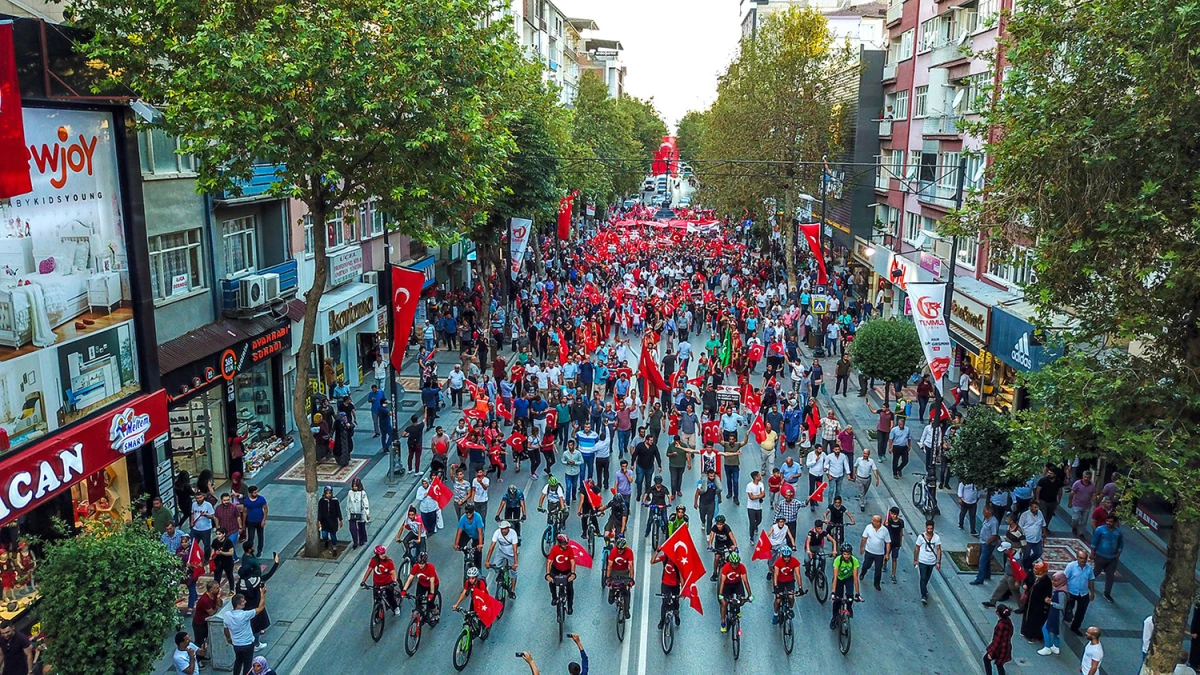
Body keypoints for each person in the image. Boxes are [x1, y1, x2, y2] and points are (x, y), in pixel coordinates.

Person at [223, 591, 266, 675]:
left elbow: (226, 628)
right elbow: (260, 608)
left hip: (236, 644)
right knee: (247, 665)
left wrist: (228, 638)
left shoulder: (227, 615)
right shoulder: (245, 615)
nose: (245, 602)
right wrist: (262, 594)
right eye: (243, 601)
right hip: (247, 644)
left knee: (238, 661)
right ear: (238, 605)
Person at [1090, 514, 1124, 602]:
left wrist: (1118, 555)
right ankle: (1088, 584)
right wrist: (1092, 553)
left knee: (1110, 576)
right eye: (1107, 521)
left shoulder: (1118, 532)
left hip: (1112, 558)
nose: (1108, 523)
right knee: (1096, 572)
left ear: (1115, 522)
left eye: (1111, 521)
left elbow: (1120, 544)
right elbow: (1094, 542)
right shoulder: (1099, 530)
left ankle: (1107, 593)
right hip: (1100, 556)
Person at [400, 551, 441, 622]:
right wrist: (404, 590)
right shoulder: (416, 567)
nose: (420, 565)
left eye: (422, 564)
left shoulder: (430, 567)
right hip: (422, 584)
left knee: (430, 602)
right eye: (419, 563)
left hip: (433, 584)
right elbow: (410, 578)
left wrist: (431, 593)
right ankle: (421, 614)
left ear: (425, 563)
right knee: (418, 601)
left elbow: (432, 581)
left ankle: (436, 612)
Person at [716, 551, 751, 634]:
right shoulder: (725, 568)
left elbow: (745, 581)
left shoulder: (742, 567)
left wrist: (750, 594)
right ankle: (723, 622)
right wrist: (720, 594)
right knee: (724, 603)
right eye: (733, 564)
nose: (735, 565)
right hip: (727, 586)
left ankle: (737, 609)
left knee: (741, 600)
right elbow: (722, 582)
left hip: (737, 584)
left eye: (737, 563)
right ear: (730, 562)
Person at [1063, 548, 1096, 635]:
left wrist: (1092, 592)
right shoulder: (1071, 566)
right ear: (1077, 558)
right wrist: (1065, 591)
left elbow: (1091, 580)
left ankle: (1075, 627)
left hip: (1083, 593)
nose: (1083, 560)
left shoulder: (1089, 568)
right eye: (1081, 558)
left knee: (1081, 612)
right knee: (1068, 608)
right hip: (1072, 592)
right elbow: (1065, 578)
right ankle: (1064, 619)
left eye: (1085, 558)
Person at [770, 546, 806, 624]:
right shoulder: (778, 562)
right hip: (780, 581)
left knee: (791, 596)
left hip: (790, 581)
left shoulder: (795, 561)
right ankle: (775, 614)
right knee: (778, 599)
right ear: (782, 556)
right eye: (785, 557)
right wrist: (775, 586)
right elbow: (776, 574)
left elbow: (798, 574)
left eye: (788, 557)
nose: (786, 559)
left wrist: (800, 587)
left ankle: (790, 608)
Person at [830, 544, 862, 630]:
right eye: (844, 554)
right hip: (839, 579)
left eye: (848, 554)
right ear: (842, 554)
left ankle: (849, 607)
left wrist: (858, 594)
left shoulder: (854, 561)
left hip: (849, 578)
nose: (846, 556)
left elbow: (855, 578)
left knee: (850, 595)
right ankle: (834, 617)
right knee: (837, 600)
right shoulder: (838, 560)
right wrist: (833, 592)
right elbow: (835, 577)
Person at [486, 521, 520, 598]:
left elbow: (515, 549)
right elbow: (492, 547)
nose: (503, 531)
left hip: (511, 554)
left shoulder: (513, 533)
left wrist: (515, 563)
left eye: (505, 529)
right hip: (501, 552)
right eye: (502, 529)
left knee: (513, 573)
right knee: (495, 566)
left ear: (508, 528)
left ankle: (512, 590)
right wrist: (487, 561)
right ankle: (501, 576)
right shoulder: (497, 533)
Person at [545, 534, 577, 615]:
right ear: (559, 543)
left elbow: (572, 561)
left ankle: (570, 606)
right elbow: (549, 562)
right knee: (551, 582)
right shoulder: (554, 549)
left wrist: (572, 574)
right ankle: (554, 597)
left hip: (567, 570)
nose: (566, 545)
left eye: (566, 543)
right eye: (564, 544)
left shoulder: (569, 549)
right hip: (556, 569)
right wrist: (548, 574)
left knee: (570, 588)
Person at [1021, 561, 1053, 642]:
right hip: (1029, 601)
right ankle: (1024, 631)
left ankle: (1033, 635)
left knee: (1035, 620)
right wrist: (1025, 584)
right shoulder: (1032, 574)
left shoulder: (1046, 581)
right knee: (1027, 615)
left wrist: (1046, 599)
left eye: (1036, 569)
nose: (1034, 570)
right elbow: (1026, 579)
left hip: (1039, 604)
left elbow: (1048, 593)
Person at [1038, 571, 1067, 656]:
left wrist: (1051, 603)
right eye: (1053, 580)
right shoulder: (1061, 589)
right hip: (1056, 614)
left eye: (1056, 581)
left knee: (1045, 628)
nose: (1053, 582)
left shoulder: (1061, 593)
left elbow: (1061, 606)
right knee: (1056, 631)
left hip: (1056, 614)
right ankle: (1056, 646)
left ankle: (1047, 647)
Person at [913, 519, 942, 604]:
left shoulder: (937, 538)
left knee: (927, 578)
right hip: (922, 561)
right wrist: (915, 559)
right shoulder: (921, 537)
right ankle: (924, 595)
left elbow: (939, 549)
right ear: (926, 528)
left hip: (932, 562)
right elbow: (917, 548)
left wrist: (938, 561)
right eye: (928, 528)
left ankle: (924, 589)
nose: (929, 530)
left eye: (931, 529)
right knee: (923, 578)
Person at [605, 536, 635, 617]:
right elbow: (609, 566)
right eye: (618, 548)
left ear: (625, 548)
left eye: (621, 549)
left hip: (625, 573)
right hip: (614, 572)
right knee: (612, 587)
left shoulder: (629, 552)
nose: (619, 550)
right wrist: (608, 578)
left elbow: (631, 566)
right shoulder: (613, 551)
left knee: (626, 591)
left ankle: (627, 610)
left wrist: (631, 579)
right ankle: (611, 592)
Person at [860, 514, 890, 591]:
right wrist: (862, 547)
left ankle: (876, 583)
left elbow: (888, 542)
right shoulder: (868, 527)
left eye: (874, 521)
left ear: (879, 523)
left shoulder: (884, 530)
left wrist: (887, 554)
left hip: (879, 554)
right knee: (866, 565)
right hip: (869, 551)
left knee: (878, 569)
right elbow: (864, 538)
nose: (872, 522)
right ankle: (863, 573)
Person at [983, 604, 1014, 675]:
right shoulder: (1008, 621)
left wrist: (991, 653)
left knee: (986, 659)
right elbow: (1011, 633)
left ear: (998, 613)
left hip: (999, 649)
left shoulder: (1000, 625)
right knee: (999, 664)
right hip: (1006, 646)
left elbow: (997, 640)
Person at [455, 503, 485, 571]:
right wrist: (456, 544)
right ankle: (466, 555)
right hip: (467, 533)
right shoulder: (463, 518)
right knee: (461, 545)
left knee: (478, 553)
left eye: (470, 512)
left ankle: (479, 569)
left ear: (473, 511)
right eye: (467, 512)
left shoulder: (478, 517)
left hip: (477, 535)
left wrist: (480, 544)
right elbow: (459, 532)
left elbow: (480, 532)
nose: (468, 514)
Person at [242, 485, 268, 557]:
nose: (256, 493)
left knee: (260, 536)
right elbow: (244, 512)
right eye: (254, 492)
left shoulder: (261, 499)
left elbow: (266, 509)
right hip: (251, 521)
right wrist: (243, 523)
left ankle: (260, 550)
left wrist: (264, 520)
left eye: (257, 492)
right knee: (251, 537)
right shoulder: (247, 501)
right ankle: (250, 550)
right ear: (250, 493)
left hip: (260, 521)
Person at [346, 477, 370, 550]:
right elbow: (348, 503)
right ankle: (355, 542)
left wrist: (367, 513)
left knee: (361, 527)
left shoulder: (362, 493)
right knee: (352, 528)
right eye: (353, 486)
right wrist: (348, 514)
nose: (354, 487)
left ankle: (362, 539)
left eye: (356, 486)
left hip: (361, 513)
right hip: (352, 513)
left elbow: (366, 503)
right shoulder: (350, 493)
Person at [317, 486, 343, 552]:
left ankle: (334, 548)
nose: (328, 495)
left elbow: (338, 510)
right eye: (327, 493)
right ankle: (326, 541)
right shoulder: (322, 501)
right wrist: (319, 521)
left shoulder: (335, 500)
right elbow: (320, 511)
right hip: (324, 521)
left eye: (329, 493)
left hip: (333, 521)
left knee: (333, 535)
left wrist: (340, 519)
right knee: (324, 535)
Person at [884, 506, 905, 584]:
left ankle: (893, 574)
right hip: (889, 542)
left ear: (897, 515)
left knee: (894, 559)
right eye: (891, 514)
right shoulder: (888, 520)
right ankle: (885, 563)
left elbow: (901, 532)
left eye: (894, 514)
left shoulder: (901, 522)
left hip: (896, 543)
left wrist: (900, 542)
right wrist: (886, 525)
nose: (892, 515)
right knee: (886, 555)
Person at [745, 471, 766, 540]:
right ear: (755, 477)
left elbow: (763, 495)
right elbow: (751, 497)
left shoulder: (761, 484)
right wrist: (759, 496)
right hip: (751, 507)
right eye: (759, 475)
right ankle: (751, 536)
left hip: (758, 506)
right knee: (752, 522)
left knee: (759, 520)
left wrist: (755, 496)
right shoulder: (749, 485)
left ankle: (755, 526)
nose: (760, 476)